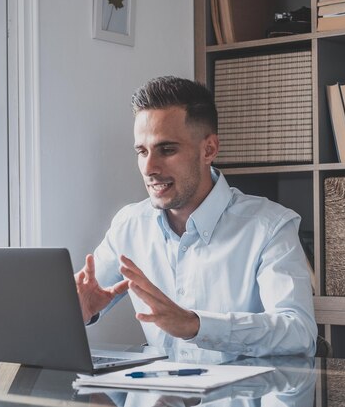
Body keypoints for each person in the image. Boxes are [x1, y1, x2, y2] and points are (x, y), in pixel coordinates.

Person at [74, 76, 317, 357]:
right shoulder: (128, 225)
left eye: (167, 149)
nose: (149, 167)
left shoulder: (271, 226)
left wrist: (196, 325)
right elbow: (87, 299)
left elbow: (299, 332)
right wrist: (82, 311)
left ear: (209, 150)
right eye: (142, 151)